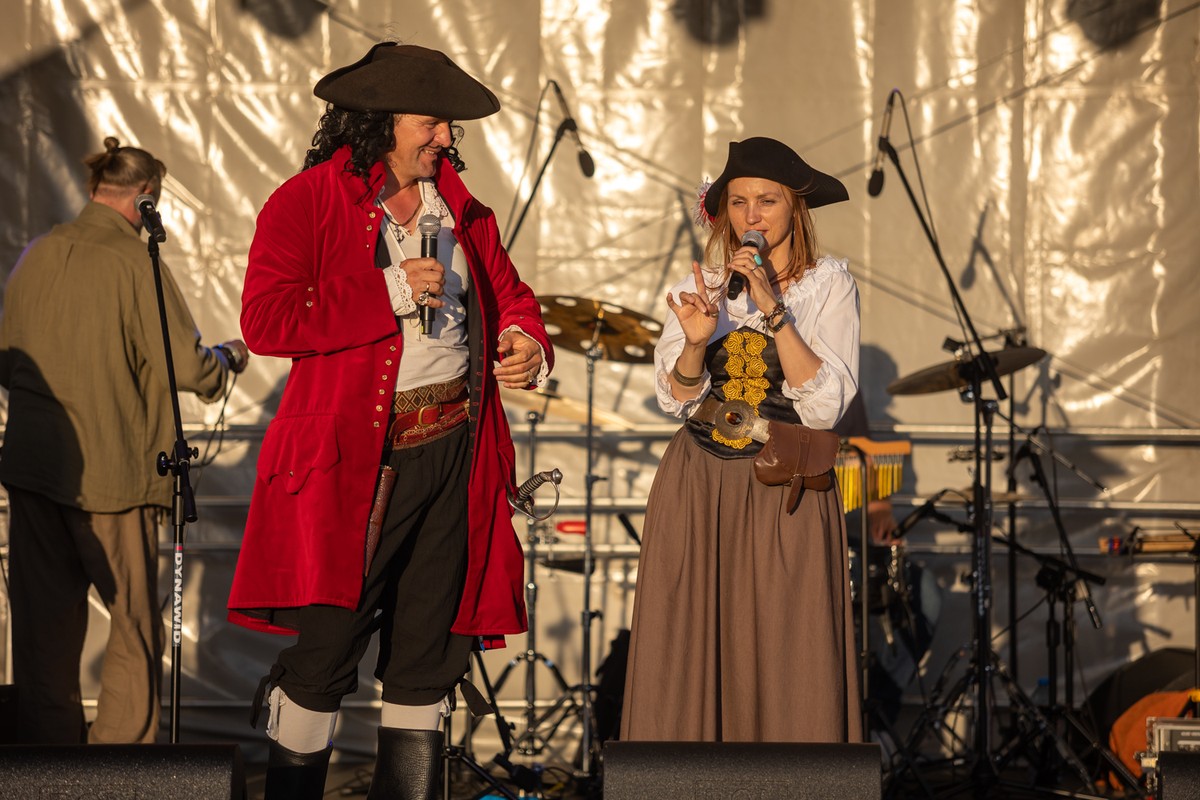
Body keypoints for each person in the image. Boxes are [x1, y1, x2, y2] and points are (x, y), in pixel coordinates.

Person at [225, 42, 553, 800]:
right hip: (358, 463)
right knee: (326, 652)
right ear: (379, 122)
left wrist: (525, 341)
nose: (445, 137)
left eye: (447, 125)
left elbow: (512, 296)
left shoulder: (462, 210)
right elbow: (267, 320)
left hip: (455, 452)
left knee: (430, 654)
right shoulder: (306, 201)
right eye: (429, 122)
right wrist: (391, 290)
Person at [0, 137, 249, 744]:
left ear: (95, 188)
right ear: (146, 197)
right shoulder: (137, 263)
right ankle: (119, 767)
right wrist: (226, 360)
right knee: (134, 626)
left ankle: (47, 765)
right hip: (112, 479)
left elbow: (8, 363)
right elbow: (187, 368)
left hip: (34, 471)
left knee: (42, 629)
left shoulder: (36, 253)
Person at [620, 136, 862, 742]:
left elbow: (826, 408)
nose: (751, 215)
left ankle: (786, 780)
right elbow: (677, 400)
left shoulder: (827, 285)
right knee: (689, 644)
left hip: (784, 486)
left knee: (788, 647)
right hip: (699, 482)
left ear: (794, 208)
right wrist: (696, 341)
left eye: (767, 201)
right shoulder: (703, 285)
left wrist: (774, 310)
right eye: (738, 202)